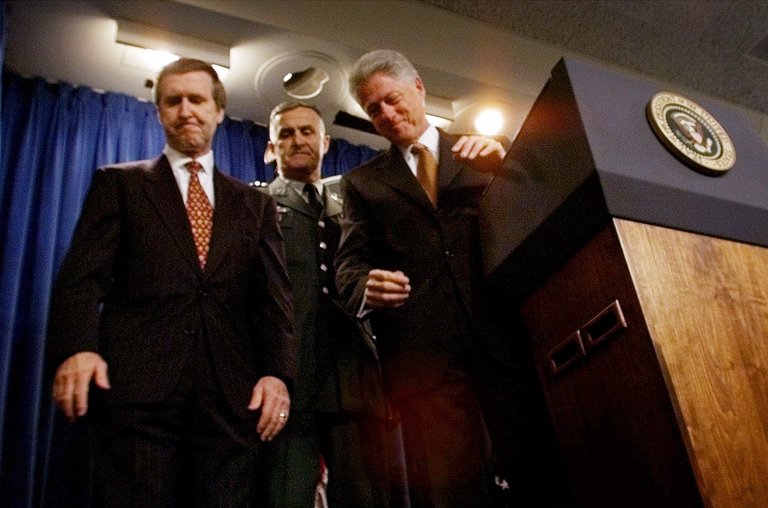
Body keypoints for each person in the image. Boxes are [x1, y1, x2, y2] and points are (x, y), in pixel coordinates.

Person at [46, 58, 296, 507]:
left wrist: (277, 374)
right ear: (159, 112)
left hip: (229, 400)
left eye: (197, 100)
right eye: (173, 101)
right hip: (137, 392)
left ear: (218, 110)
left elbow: (272, 302)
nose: (186, 111)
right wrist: (78, 348)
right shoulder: (118, 184)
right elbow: (81, 279)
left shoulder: (254, 205)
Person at [335, 49, 563, 507]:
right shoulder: (362, 183)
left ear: (418, 87)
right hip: (424, 360)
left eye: (392, 99)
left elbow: (540, 216)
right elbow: (348, 266)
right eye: (373, 109)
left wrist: (506, 168)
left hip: (503, 339)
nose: (386, 114)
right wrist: (364, 287)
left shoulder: (484, 153)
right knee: (448, 491)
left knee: (540, 470)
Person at [260, 101, 395, 507]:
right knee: (285, 495)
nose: (297, 140)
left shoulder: (356, 204)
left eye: (306, 131)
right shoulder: (257, 207)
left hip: (352, 375)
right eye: (286, 133)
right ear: (271, 148)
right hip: (290, 376)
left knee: (366, 497)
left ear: (325, 141)